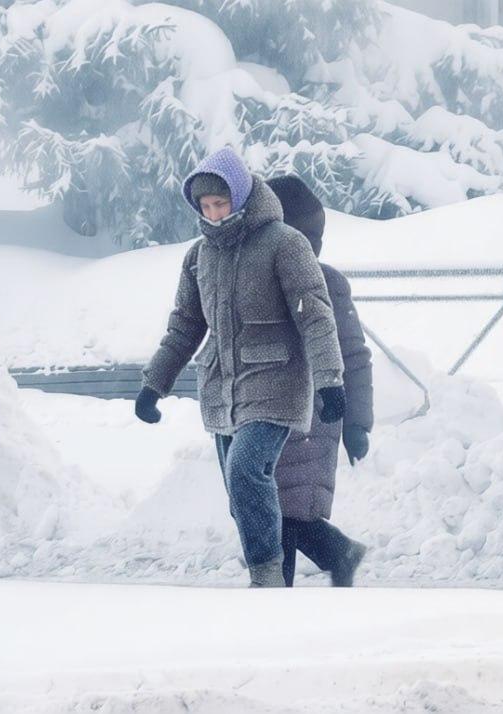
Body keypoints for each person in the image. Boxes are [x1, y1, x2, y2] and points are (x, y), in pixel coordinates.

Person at [135, 148, 346, 588]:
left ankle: (267, 579)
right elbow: (186, 325)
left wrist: (330, 379)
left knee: (245, 471)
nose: (214, 214)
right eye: (206, 207)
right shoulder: (198, 257)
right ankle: (272, 575)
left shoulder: (284, 244)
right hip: (222, 389)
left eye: (221, 203)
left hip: (277, 384)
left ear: (243, 196)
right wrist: (154, 384)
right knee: (241, 495)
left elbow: (315, 314)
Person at [266, 176, 372, 587]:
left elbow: (354, 356)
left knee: (278, 512)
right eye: (305, 236)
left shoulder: (327, 283)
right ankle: (337, 553)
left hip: (313, 414)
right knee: (276, 510)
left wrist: (357, 423)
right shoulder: (259, 279)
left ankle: (278, 599)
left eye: (318, 237)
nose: (314, 247)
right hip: (267, 410)